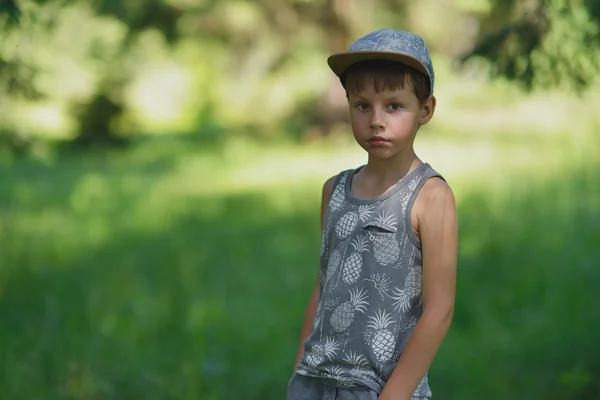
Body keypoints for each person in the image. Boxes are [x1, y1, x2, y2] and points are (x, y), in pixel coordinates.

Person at [287, 29, 458, 400]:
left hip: (382, 388)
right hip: (315, 380)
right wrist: (301, 369)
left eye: (394, 106)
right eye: (362, 105)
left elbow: (439, 310)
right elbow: (324, 284)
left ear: (425, 109)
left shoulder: (431, 197)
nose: (376, 120)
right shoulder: (334, 190)